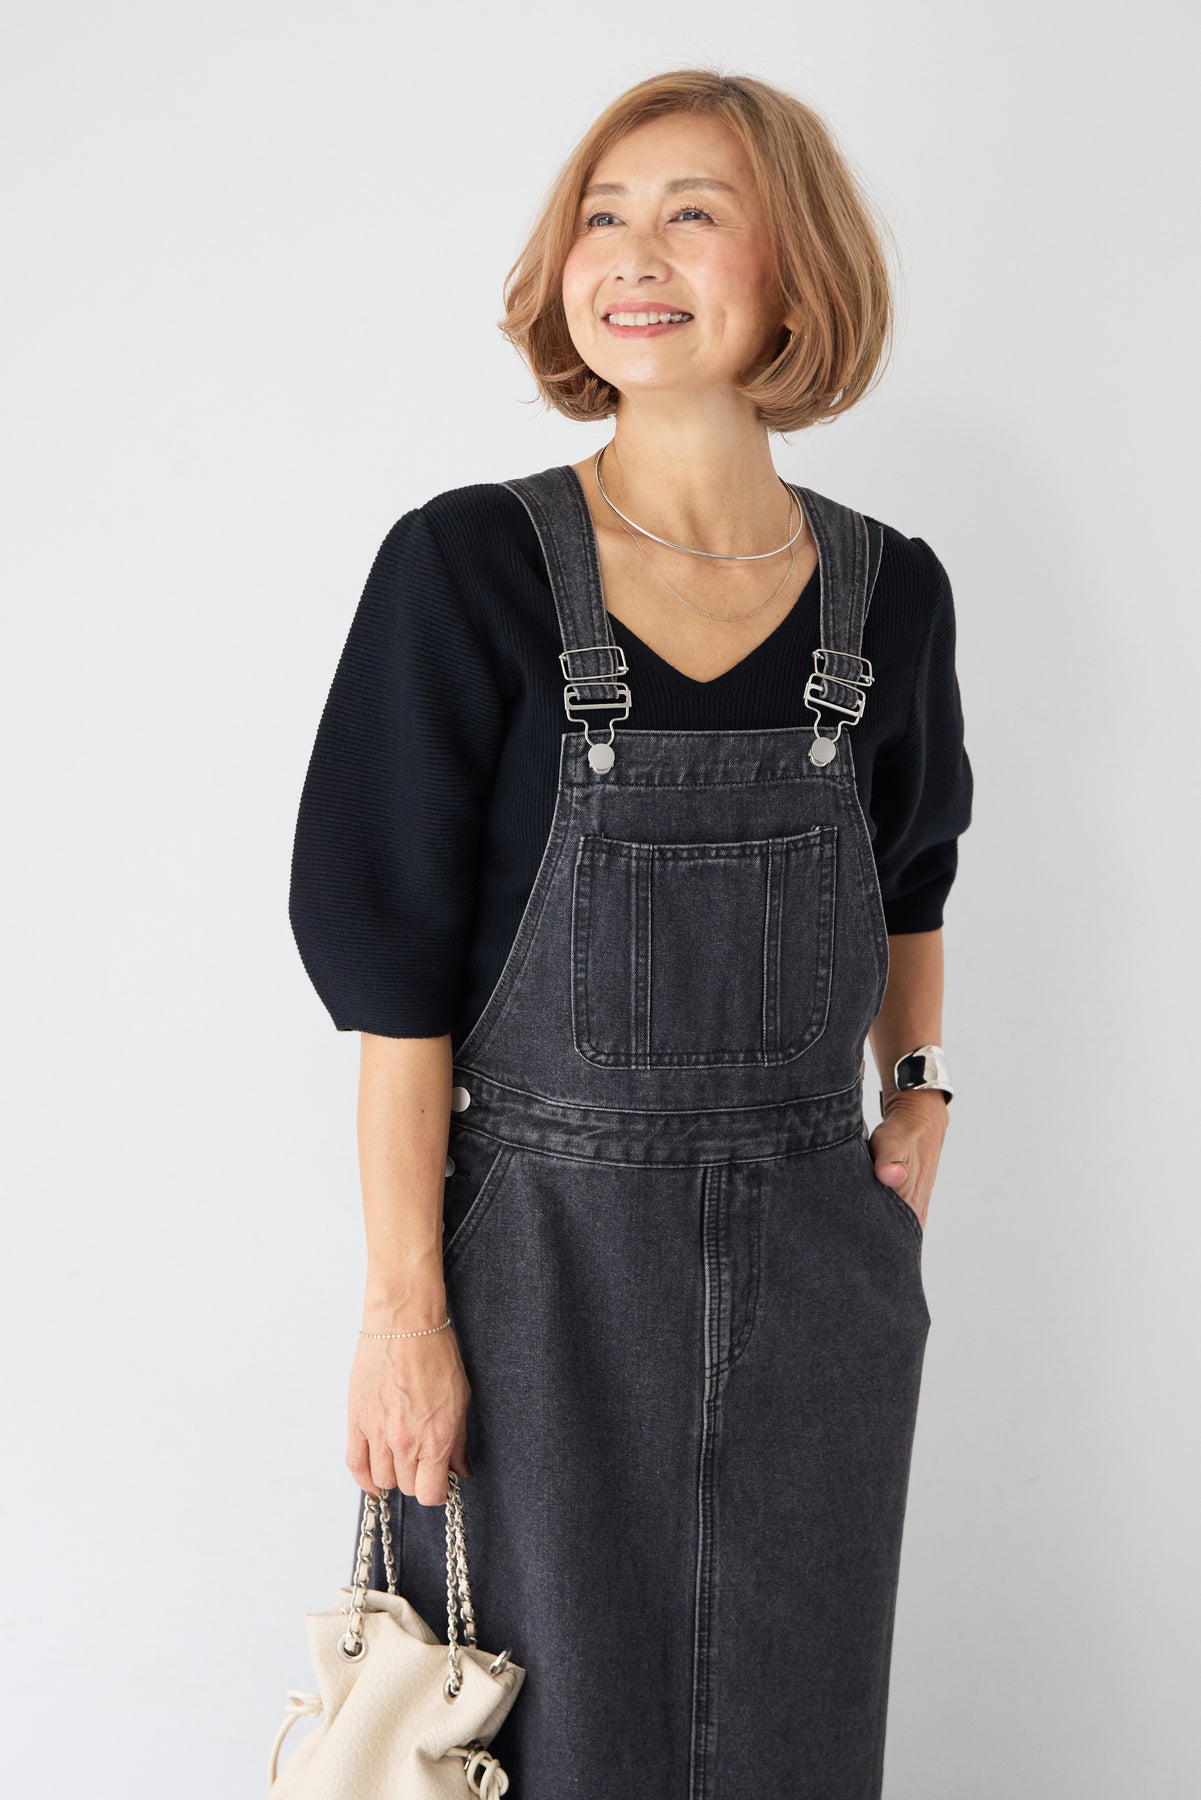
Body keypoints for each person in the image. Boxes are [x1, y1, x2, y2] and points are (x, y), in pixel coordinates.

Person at [288, 67, 974, 1799]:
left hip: (816, 1264)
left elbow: (913, 877)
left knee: (794, 1742)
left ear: (794, 272)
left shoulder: (890, 591)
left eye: (690, 213)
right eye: (601, 216)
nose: (630, 256)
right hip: (538, 1269)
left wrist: (920, 1087)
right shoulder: (467, 567)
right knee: (528, 1735)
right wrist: (401, 1311)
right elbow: (392, 975)